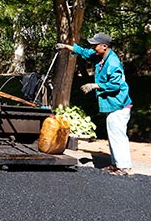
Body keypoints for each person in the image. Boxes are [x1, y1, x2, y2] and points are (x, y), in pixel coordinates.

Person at [57, 32, 133, 175]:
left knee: (118, 135)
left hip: (119, 105)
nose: (93, 47)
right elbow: (85, 53)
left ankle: (125, 168)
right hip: (113, 104)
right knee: (113, 135)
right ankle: (117, 164)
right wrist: (66, 47)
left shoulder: (112, 62)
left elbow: (116, 84)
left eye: (95, 45)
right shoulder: (101, 58)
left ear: (104, 46)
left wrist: (95, 86)